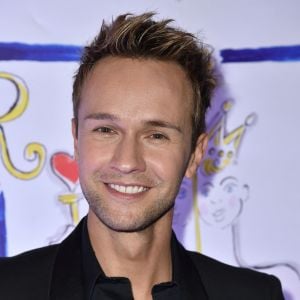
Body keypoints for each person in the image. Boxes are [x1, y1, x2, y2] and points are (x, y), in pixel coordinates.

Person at [0, 12, 284, 300]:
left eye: (156, 135)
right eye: (106, 130)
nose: (127, 161)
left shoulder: (254, 294)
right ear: (76, 139)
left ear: (195, 154)